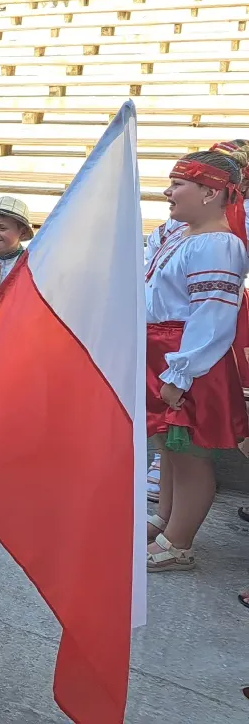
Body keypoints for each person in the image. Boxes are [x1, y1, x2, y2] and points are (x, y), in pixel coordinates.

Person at [144, 151, 249, 572]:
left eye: (178, 184)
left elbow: (212, 315)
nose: (168, 192)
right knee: (169, 446)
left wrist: (181, 372)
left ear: (209, 193)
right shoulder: (181, 234)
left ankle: (179, 542)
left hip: (190, 358)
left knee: (189, 452)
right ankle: (165, 517)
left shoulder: (218, 246)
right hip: (164, 350)